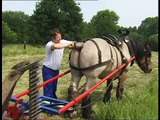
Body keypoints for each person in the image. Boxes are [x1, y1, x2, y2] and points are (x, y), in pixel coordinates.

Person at [42, 28, 75, 99]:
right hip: (48, 69)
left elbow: (72, 42)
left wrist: (74, 44)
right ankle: (47, 103)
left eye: (60, 37)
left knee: (54, 87)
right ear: (53, 38)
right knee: (48, 87)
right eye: (58, 37)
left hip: (56, 70)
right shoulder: (49, 44)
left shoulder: (62, 41)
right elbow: (57, 46)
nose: (60, 39)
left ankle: (53, 99)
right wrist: (67, 45)